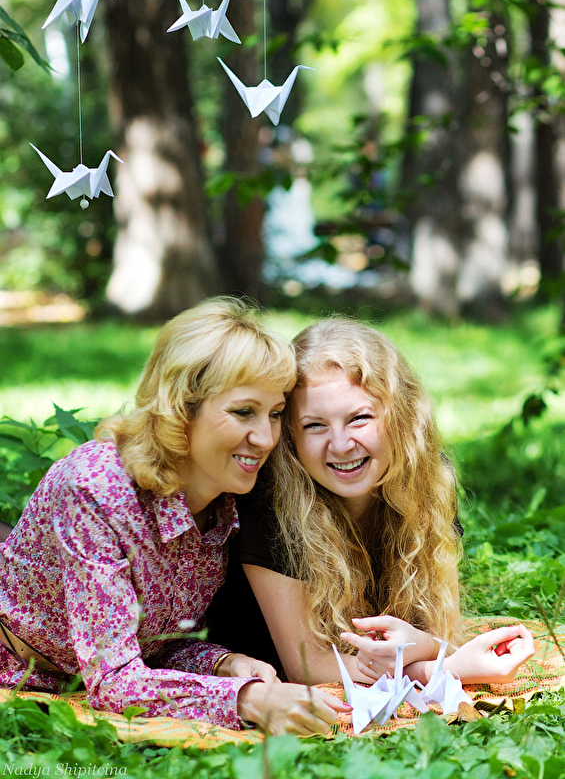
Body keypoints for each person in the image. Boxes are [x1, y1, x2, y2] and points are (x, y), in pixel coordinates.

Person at [0, 298, 351, 735]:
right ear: (182, 407)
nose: (265, 438)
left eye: (275, 414)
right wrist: (248, 699)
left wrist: (224, 664)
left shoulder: (223, 502)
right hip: (19, 673)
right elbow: (113, 679)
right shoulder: (95, 489)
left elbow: (157, 646)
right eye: (243, 411)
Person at [209, 317, 535, 688]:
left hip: (366, 670)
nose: (340, 445)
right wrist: (441, 669)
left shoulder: (428, 482)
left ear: (400, 418)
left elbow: (442, 630)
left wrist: (427, 646)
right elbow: (308, 667)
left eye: (359, 418)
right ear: (290, 438)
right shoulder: (270, 501)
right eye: (315, 425)